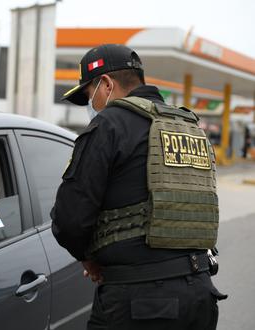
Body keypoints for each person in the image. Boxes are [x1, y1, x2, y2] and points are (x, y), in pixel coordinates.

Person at [50, 44, 226, 329]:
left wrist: (87, 259)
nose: (90, 107)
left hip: (140, 301)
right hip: (201, 294)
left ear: (105, 85)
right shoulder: (190, 126)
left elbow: (70, 219)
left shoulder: (109, 125)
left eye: (88, 97)